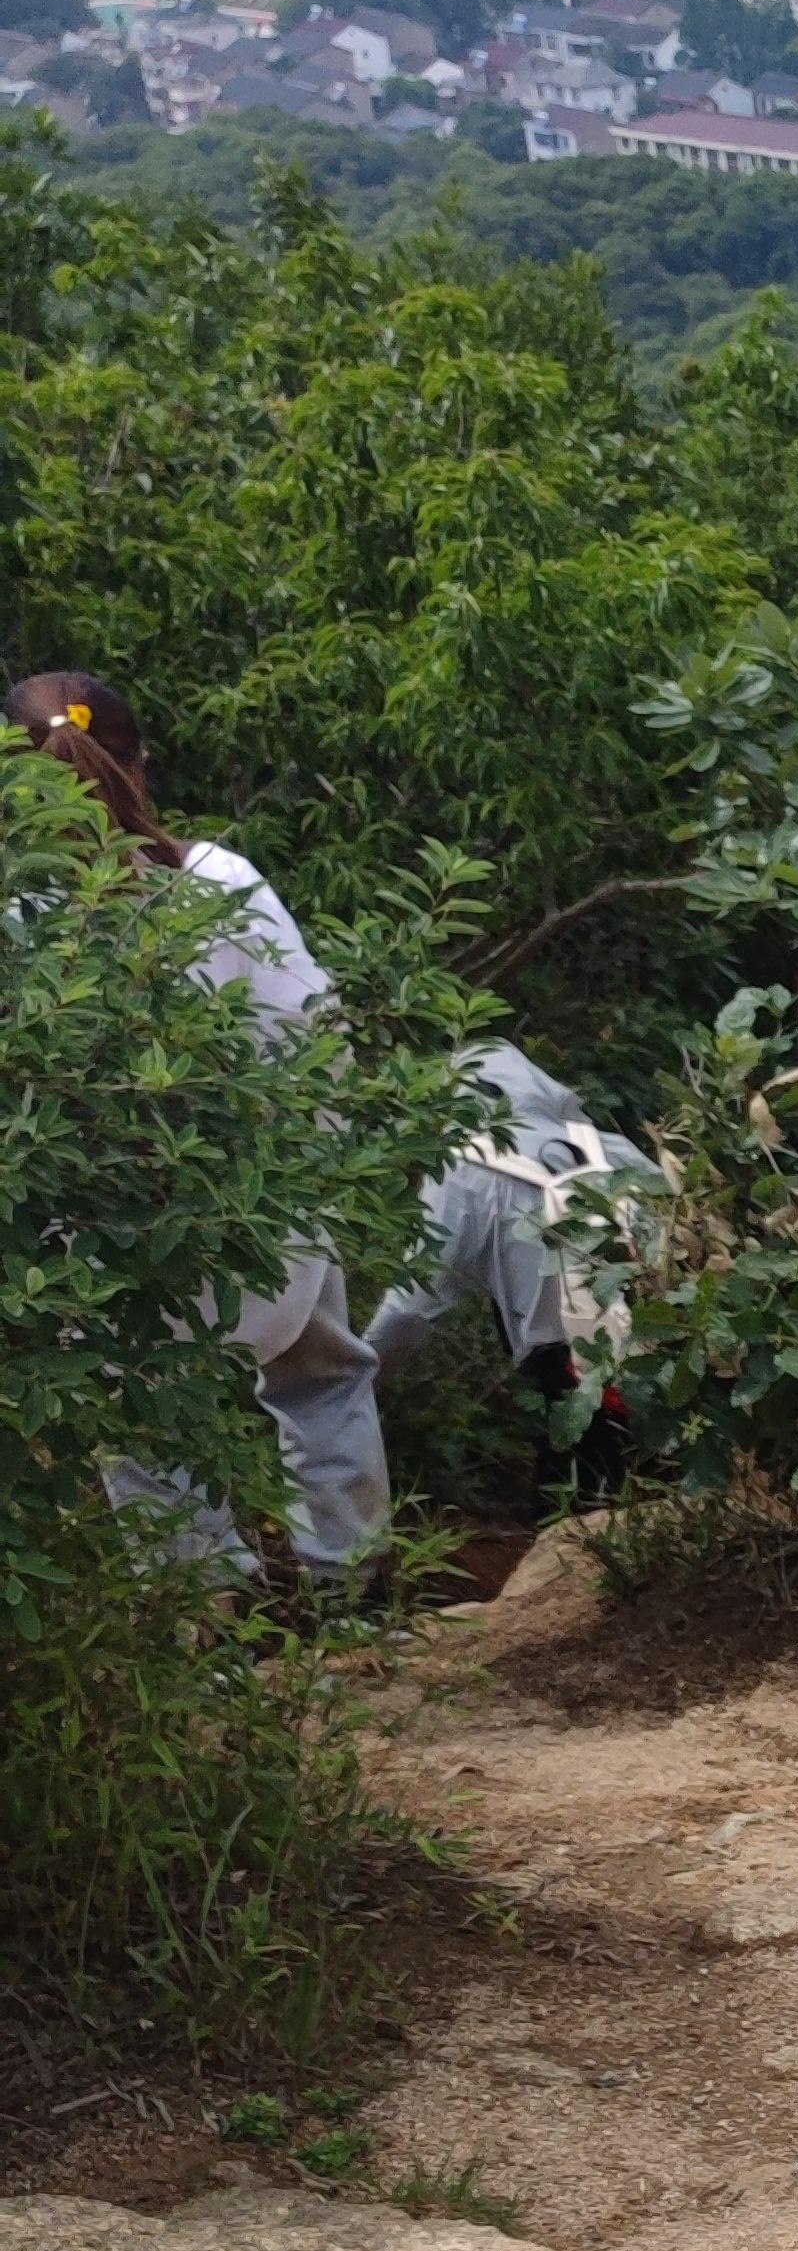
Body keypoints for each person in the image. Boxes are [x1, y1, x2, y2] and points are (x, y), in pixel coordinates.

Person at [15, 667, 393, 1577]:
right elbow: (314, 1031)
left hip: (103, 1238)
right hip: (265, 1201)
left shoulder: (22, 917)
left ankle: (203, 1622)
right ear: (140, 764)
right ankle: (348, 1579)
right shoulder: (217, 877)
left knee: (144, 1424)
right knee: (323, 1373)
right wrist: (322, 1159)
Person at [362, 1037, 652, 1496]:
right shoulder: (607, 1148)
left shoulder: (466, 1168)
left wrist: (352, 1378)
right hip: (656, 1344)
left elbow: (413, 1302)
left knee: (584, 1491)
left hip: (568, 1358)